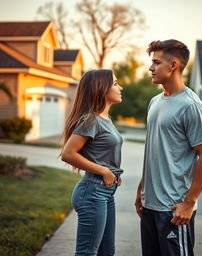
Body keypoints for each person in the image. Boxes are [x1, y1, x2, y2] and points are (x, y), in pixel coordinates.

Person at [135, 40, 202, 256]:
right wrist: (142, 188)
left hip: (173, 208)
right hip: (150, 204)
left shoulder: (191, 106)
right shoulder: (155, 102)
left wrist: (189, 203)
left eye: (156, 62)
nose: (150, 67)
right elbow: (157, 150)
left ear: (173, 65)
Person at [61, 69, 123, 256]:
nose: (120, 87)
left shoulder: (106, 120)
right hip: (92, 191)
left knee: (107, 251)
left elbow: (101, 153)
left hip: (105, 191)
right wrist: (104, 171)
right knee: (87, 252)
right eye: (115, 83)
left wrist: (112, 173)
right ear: (101, 88)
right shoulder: (91, 120)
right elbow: (68, 154)